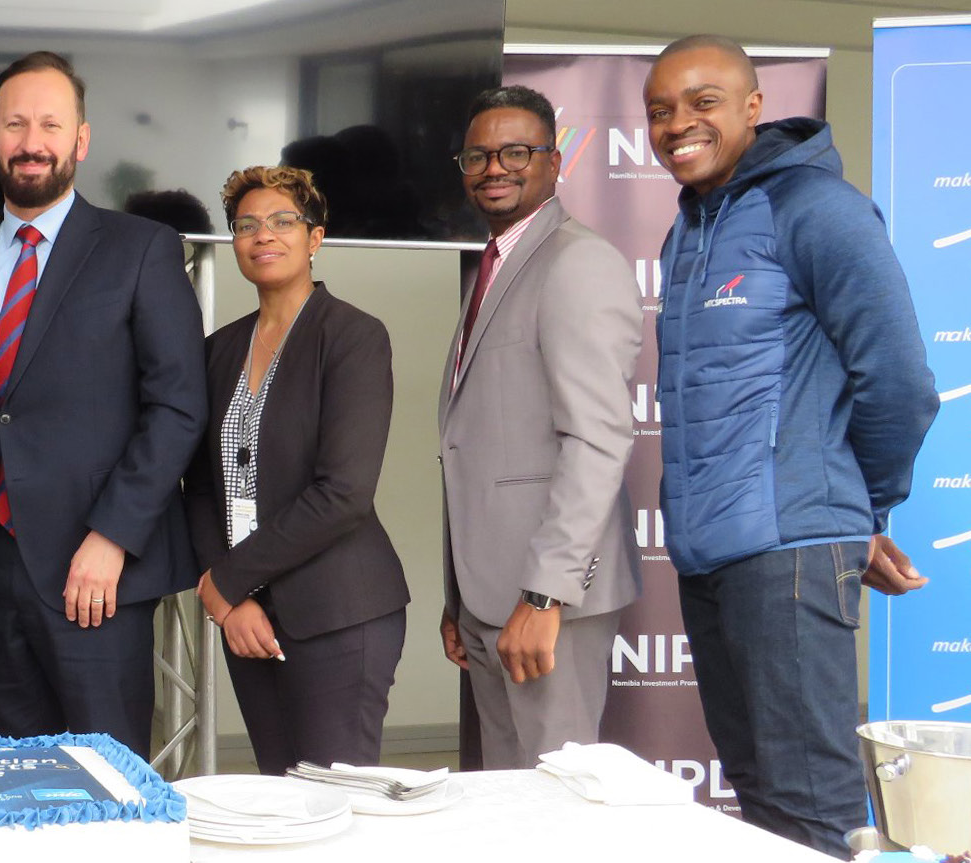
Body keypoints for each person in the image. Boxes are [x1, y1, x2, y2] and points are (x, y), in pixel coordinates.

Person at [644, 35, 937, 857]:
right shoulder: (690, 231)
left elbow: (902, 382)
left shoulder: (818, 209)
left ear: (753, 107)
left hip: (792, 552)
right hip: (712, 557)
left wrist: (857, 510)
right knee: (765, 801)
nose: (679, 125)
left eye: (703, 102)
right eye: (661, 111)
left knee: (815, 809)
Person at [0, 51, 207, 756]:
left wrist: (113, 535)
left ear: (81, 141)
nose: (33, 141)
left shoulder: (142, 250)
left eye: (51, 124)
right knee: (5, 788)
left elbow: (177, 403)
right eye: (17, 124)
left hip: (95, 569)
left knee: (107, 781)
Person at [436, 86, 643, 769]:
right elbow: (477, 442)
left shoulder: (576, 261)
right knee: (506, 802)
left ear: (555, 163)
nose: (494, 166)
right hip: (489, 597)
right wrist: (459, 594)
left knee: (556, 802)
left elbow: (598, 437)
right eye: (478, 154)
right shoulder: (493, 268)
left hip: (547, 600)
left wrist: (545, 592)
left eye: (516, 151)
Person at [184, 166, 409, 774]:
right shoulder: (217, 350)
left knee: (336, 802)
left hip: (339, 610)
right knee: (281, 796)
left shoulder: (353, 337)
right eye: (247, 225)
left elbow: (344, 493)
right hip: (248, 616)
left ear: (315, 239)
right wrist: (229, 600)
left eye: (284, 221)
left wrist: (227, 583)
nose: (264, 236)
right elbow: (200, 484)